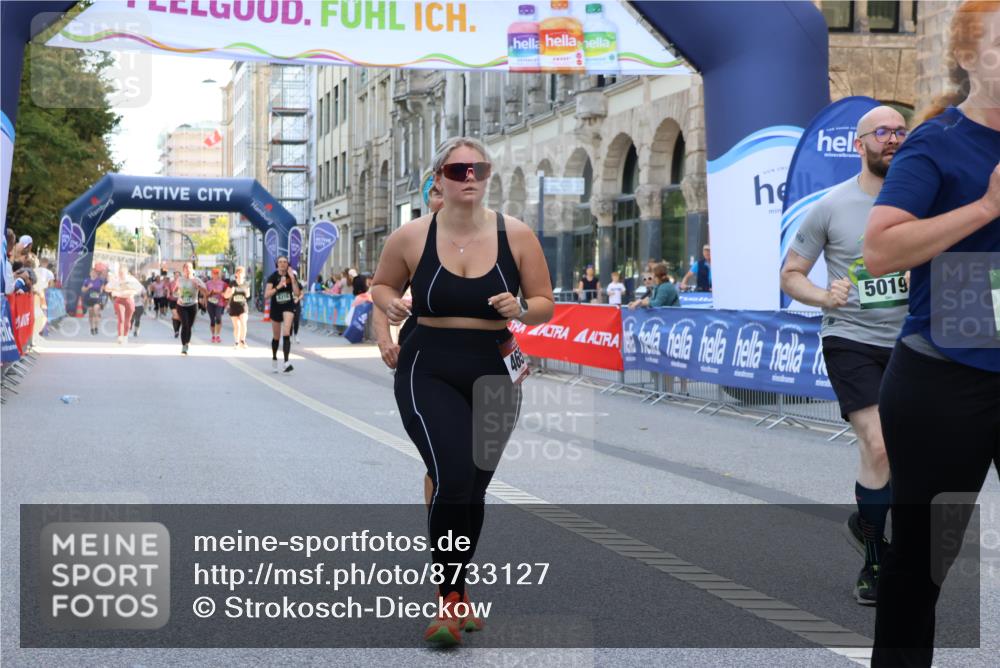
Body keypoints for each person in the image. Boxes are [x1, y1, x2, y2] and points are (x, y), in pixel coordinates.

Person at [372, 137, 554, 646]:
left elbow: (544, 302)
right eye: (457, 170)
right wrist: (390, 306)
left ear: (488, 174)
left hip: (494, 369)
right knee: (452, 477)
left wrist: (523, 310)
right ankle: (449, 598)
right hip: (427, 365)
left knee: (474, 489)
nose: (469, 177)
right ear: (439, 178)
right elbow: (381, 285)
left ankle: (458, 588)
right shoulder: (412, 236)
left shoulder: (516, 235)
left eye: (478, 168)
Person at [862, 3, 1000, 664]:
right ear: (969, 57)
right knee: (923, 563)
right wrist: (987, 207)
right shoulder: (937, 141)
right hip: (946, 379)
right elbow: (881, 251)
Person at [781, 105, 909, 606]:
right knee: (878, 444)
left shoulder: (923, 200)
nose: (893, 139)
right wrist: (822, 296)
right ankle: (874, 563)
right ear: (859, 144)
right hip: (851, 337)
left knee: (907, 454)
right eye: (882, 132)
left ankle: (866, 522)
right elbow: (791, 273)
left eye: (901, 131)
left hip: (912, 342)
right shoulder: (831, 206)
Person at [373, 183, 445, 509]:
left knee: (471, 466)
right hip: (423, 357)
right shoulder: (412, 240)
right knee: (441, 459)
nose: (445, 200)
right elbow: (382, 292)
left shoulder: (490, 238)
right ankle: (442, 528)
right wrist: (385, 342)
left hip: (479, 360)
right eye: (437, 193)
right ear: (428, 199)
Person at [264, 256, 301, 373]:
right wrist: (279, 286)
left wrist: (293, 279)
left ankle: (286, 362)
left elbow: (297, 293)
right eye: (280, 262)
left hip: (288, 306)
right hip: (276, 307)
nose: (282, 264)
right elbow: (266, 295)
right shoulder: (272, 277)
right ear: (277, 264)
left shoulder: (291, 276)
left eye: (285, 262)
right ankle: (274, 358)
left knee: (286, 332)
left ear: (288, 264)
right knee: (276, 336)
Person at [172, 263, 206, 355]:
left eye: (189, 268)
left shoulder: (197, 280)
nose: (188, 269)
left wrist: (198, 286)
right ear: (183, 270)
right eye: (186, 268)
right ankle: (184, 346)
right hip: (181, 305)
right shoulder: (180, 280)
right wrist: (175, 292)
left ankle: (187, 343)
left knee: (189, 326)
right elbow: (174, 291)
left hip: (193, 305)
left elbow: (205, 291)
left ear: (192, 269)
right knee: (185, 324)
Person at [105, 264, 143, 344]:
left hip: (129, 300)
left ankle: (125, 336)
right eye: (119, 272)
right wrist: (114, 289)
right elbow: (106, 288)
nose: (120, 274)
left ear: (126, 272)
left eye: (122, 273)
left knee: (127, 320)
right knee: (121, 319)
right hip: (119, 300)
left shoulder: (131, 279)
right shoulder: (116, 280)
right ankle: (120, 337)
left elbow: (139, 288)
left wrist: (131, 291)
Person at [224, 265, 251, 348]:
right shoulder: (232, 283)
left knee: (243, 322)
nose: (239, 275)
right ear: (236, 274)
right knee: (237, 326)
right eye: (238, 273)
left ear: (244, 274)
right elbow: (225, 296)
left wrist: (247, 293)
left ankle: (242, 341)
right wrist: (230, 293)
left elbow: (248, 295)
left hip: (243, 307)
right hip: (234, 307)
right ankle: (236, 342)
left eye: (241, 273)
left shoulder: (246, 284)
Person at [204, 268, 228, 344]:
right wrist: (210, 294)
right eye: (214, 273)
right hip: (210, 303)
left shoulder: (223, 283)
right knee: (212, 320)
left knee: (218, 318)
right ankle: (213, 336)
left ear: (219, 274)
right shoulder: (208, 283)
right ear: (211, 274)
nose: (215, 275)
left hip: (219, 303)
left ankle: (218, 335)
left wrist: (219, 293)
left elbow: (226, 294)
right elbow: (205, 294)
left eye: (217, 273)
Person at [81, 268, 105, 336]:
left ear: (97, 274)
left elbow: (102, 289)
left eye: (95, 273)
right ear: (90, 274)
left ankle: (96, 327)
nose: (93, 274)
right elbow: (83, 290)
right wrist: (88, 287)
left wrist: (101, 291)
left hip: (97, 299)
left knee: (96, 310)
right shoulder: (87, 280)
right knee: (91, 314)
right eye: (92, 273)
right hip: (89, 299)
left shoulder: (100, 281)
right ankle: (92, 328)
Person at [167, 270, 181, 338]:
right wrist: (168, 294)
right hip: (172, 301)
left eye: (178, 275)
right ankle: (176, 331)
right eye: (176, 275)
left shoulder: (182, 282)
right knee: (175, 315)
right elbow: (168, 291)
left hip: (181, 301)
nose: (177, 276)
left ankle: (177, 330)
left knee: (179, 317)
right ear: (174, 275)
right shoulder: (171, 283)